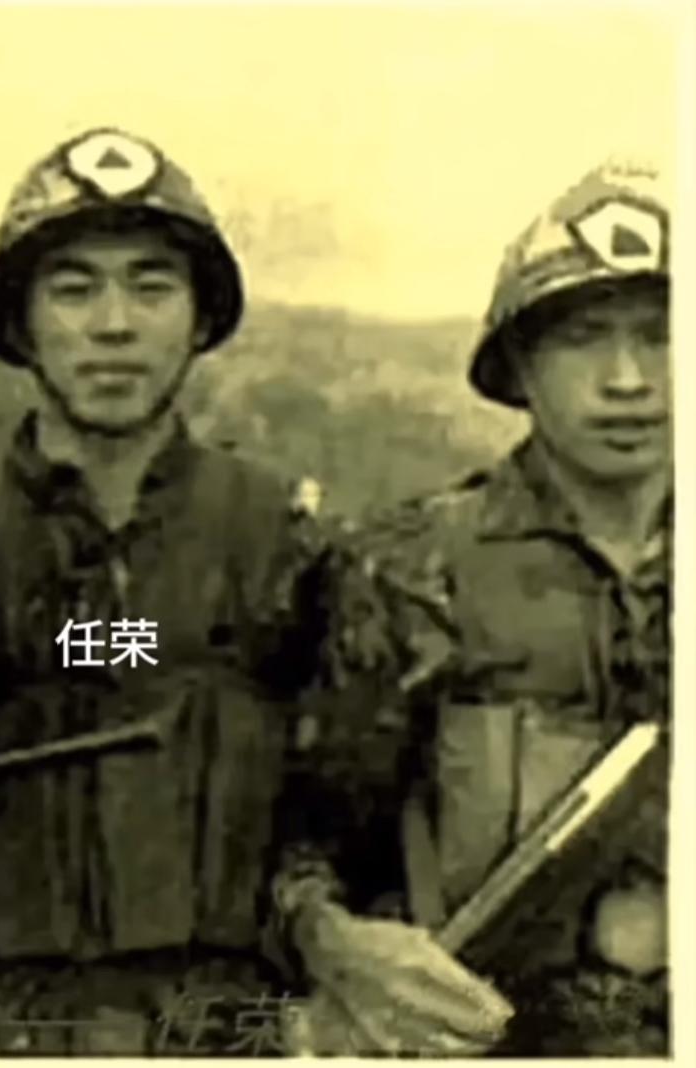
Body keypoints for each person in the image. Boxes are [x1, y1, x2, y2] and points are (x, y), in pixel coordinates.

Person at [0, 127, 509, 1055]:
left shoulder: (281, 541)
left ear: (199, 318)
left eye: (151, 287)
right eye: (73, 289)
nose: (114, 325)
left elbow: (351, 815)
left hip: (218, 1028)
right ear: (20, 324)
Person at [338, 157, 672, 1055]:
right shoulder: (409, 571)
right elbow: (304, 839)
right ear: (519, 365)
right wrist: (337, 944)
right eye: (583, 339)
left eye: (660, 335)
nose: (627, 378)